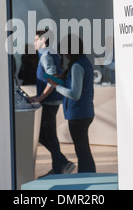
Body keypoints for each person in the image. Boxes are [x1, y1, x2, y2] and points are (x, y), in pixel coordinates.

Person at [48, 34, 96, 173]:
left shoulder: (77, 66)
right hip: (83, 112)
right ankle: (88, 175)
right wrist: (61, 81)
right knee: (83, 150)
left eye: (64, 50)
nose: (63, 53)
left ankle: (86, 176)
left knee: (82, 151)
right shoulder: (83, 62)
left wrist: (56, 87)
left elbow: (75, 94)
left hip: (78, 113)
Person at [31, 30, 74, 176]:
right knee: (47, 135)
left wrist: (39, 98)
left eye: (36, 39)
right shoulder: (49, 54)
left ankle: (60, 166)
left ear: (43, 40)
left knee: (47, 135)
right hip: (50, 100)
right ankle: (60, 164)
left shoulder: (46, 56)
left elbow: (54, 78)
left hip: (49, 102)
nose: (34, 42)